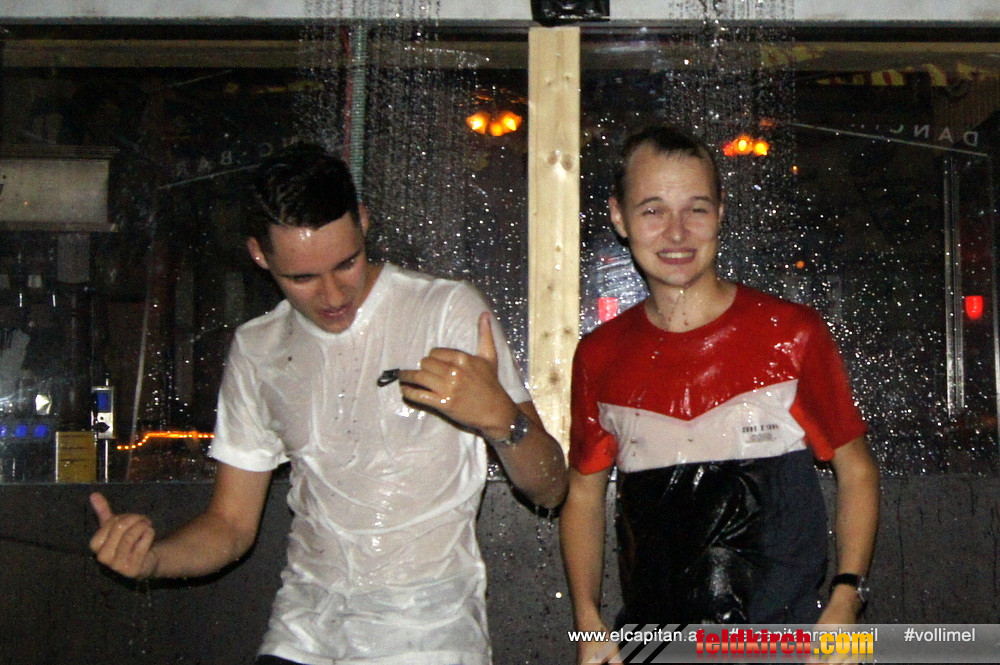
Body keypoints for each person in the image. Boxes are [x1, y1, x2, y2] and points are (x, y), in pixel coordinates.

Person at [89, 143, 568, 665]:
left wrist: (503, 421)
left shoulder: (446, 310)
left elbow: (551, 487)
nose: (334, 295)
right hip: (304, 633)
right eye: (303, 278)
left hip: (428, 633)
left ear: (363, 222)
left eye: (346, 264)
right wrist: (153, 560)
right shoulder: (258, 348)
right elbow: (229, 525)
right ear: (259, 256)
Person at [560, 125, 879, 664]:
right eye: (653, 210)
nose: (677, 232)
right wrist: (588, 622)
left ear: (721, 214)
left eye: (697, 209)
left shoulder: (792, 334)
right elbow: (585, 496)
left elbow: (858, 469)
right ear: (619, 217)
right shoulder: (599, 355)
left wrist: (846, 597)